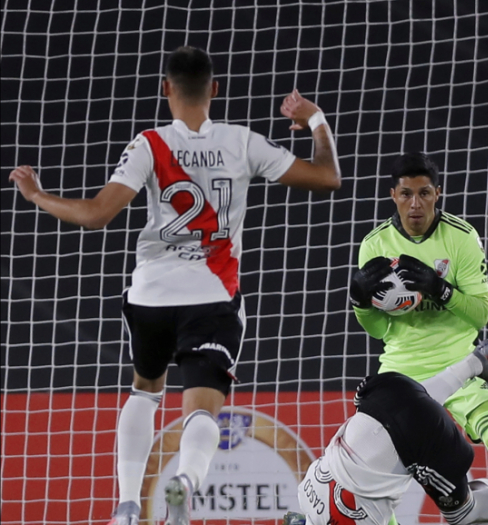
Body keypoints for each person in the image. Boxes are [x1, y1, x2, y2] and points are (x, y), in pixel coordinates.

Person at [8, 46, 342, 525]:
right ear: (215, 90)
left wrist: (37, 195)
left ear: (166, 89)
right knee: (202, 406)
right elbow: (328, 178)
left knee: (144, 391)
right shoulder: (242, 141)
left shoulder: (149, 143)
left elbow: (96, 215)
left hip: (150, 296)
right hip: (212, 296)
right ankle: (183, 484)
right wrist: (315, 120)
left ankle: (125, 504)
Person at [348, 152, 488, 477]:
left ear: (438, 193)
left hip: (460, 360)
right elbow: (378, 330)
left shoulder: (462, 237)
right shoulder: (374, 245)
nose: (415, 204)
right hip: (402, 367)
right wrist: (360, 303)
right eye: (406, 194)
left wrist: (439, 288)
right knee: (369, 467)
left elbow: (480, 314)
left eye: (424, 193)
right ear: (394, 195)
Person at [289, 340, 488, 525]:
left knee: (462, 513)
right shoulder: (304, 493)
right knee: (407, 407)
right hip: (385, 390)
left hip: (422, 436)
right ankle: (474, 362)